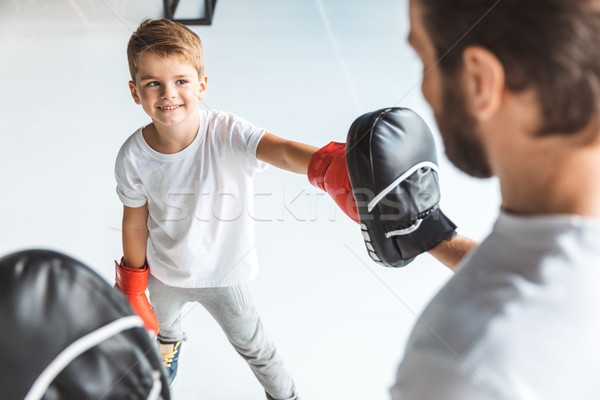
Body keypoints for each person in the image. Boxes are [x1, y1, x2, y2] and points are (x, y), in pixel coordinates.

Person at [113, 18, 472, 399]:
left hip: (224, 276)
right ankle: (164, 363)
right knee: (164, 333)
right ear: (136, 92)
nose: (168, 93)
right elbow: (135, 222)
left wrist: (330, 164)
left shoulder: (226, 131)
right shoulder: (133, 156)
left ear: (202, 85)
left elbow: (281, 150)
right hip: (165, 275)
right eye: (153, 83)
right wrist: (133, 286)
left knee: (255, 349)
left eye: (181, 81)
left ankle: (286, 397)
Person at [388, 0, 600, 398]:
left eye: (424, 59)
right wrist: (435, 237)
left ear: (478, 79)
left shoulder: (461, 365)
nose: (425, 89)